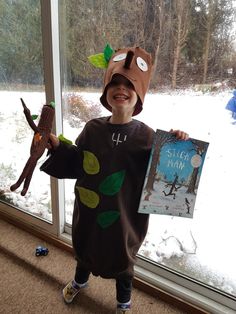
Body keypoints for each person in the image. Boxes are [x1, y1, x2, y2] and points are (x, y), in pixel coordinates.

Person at [40, 46, 189, 314]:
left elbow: (164, 176)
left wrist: (176, 145)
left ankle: (123, 303)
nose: (121, 89)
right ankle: (79, 281)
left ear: (139, 97)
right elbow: (78, 161)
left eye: (129, 85)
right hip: (89, 207)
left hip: (125, 216)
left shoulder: (147, 137)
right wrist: (57, 146)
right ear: (106, 92)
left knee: (123, 260)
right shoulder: (92, 129)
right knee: (85, 248)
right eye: (115, 83)